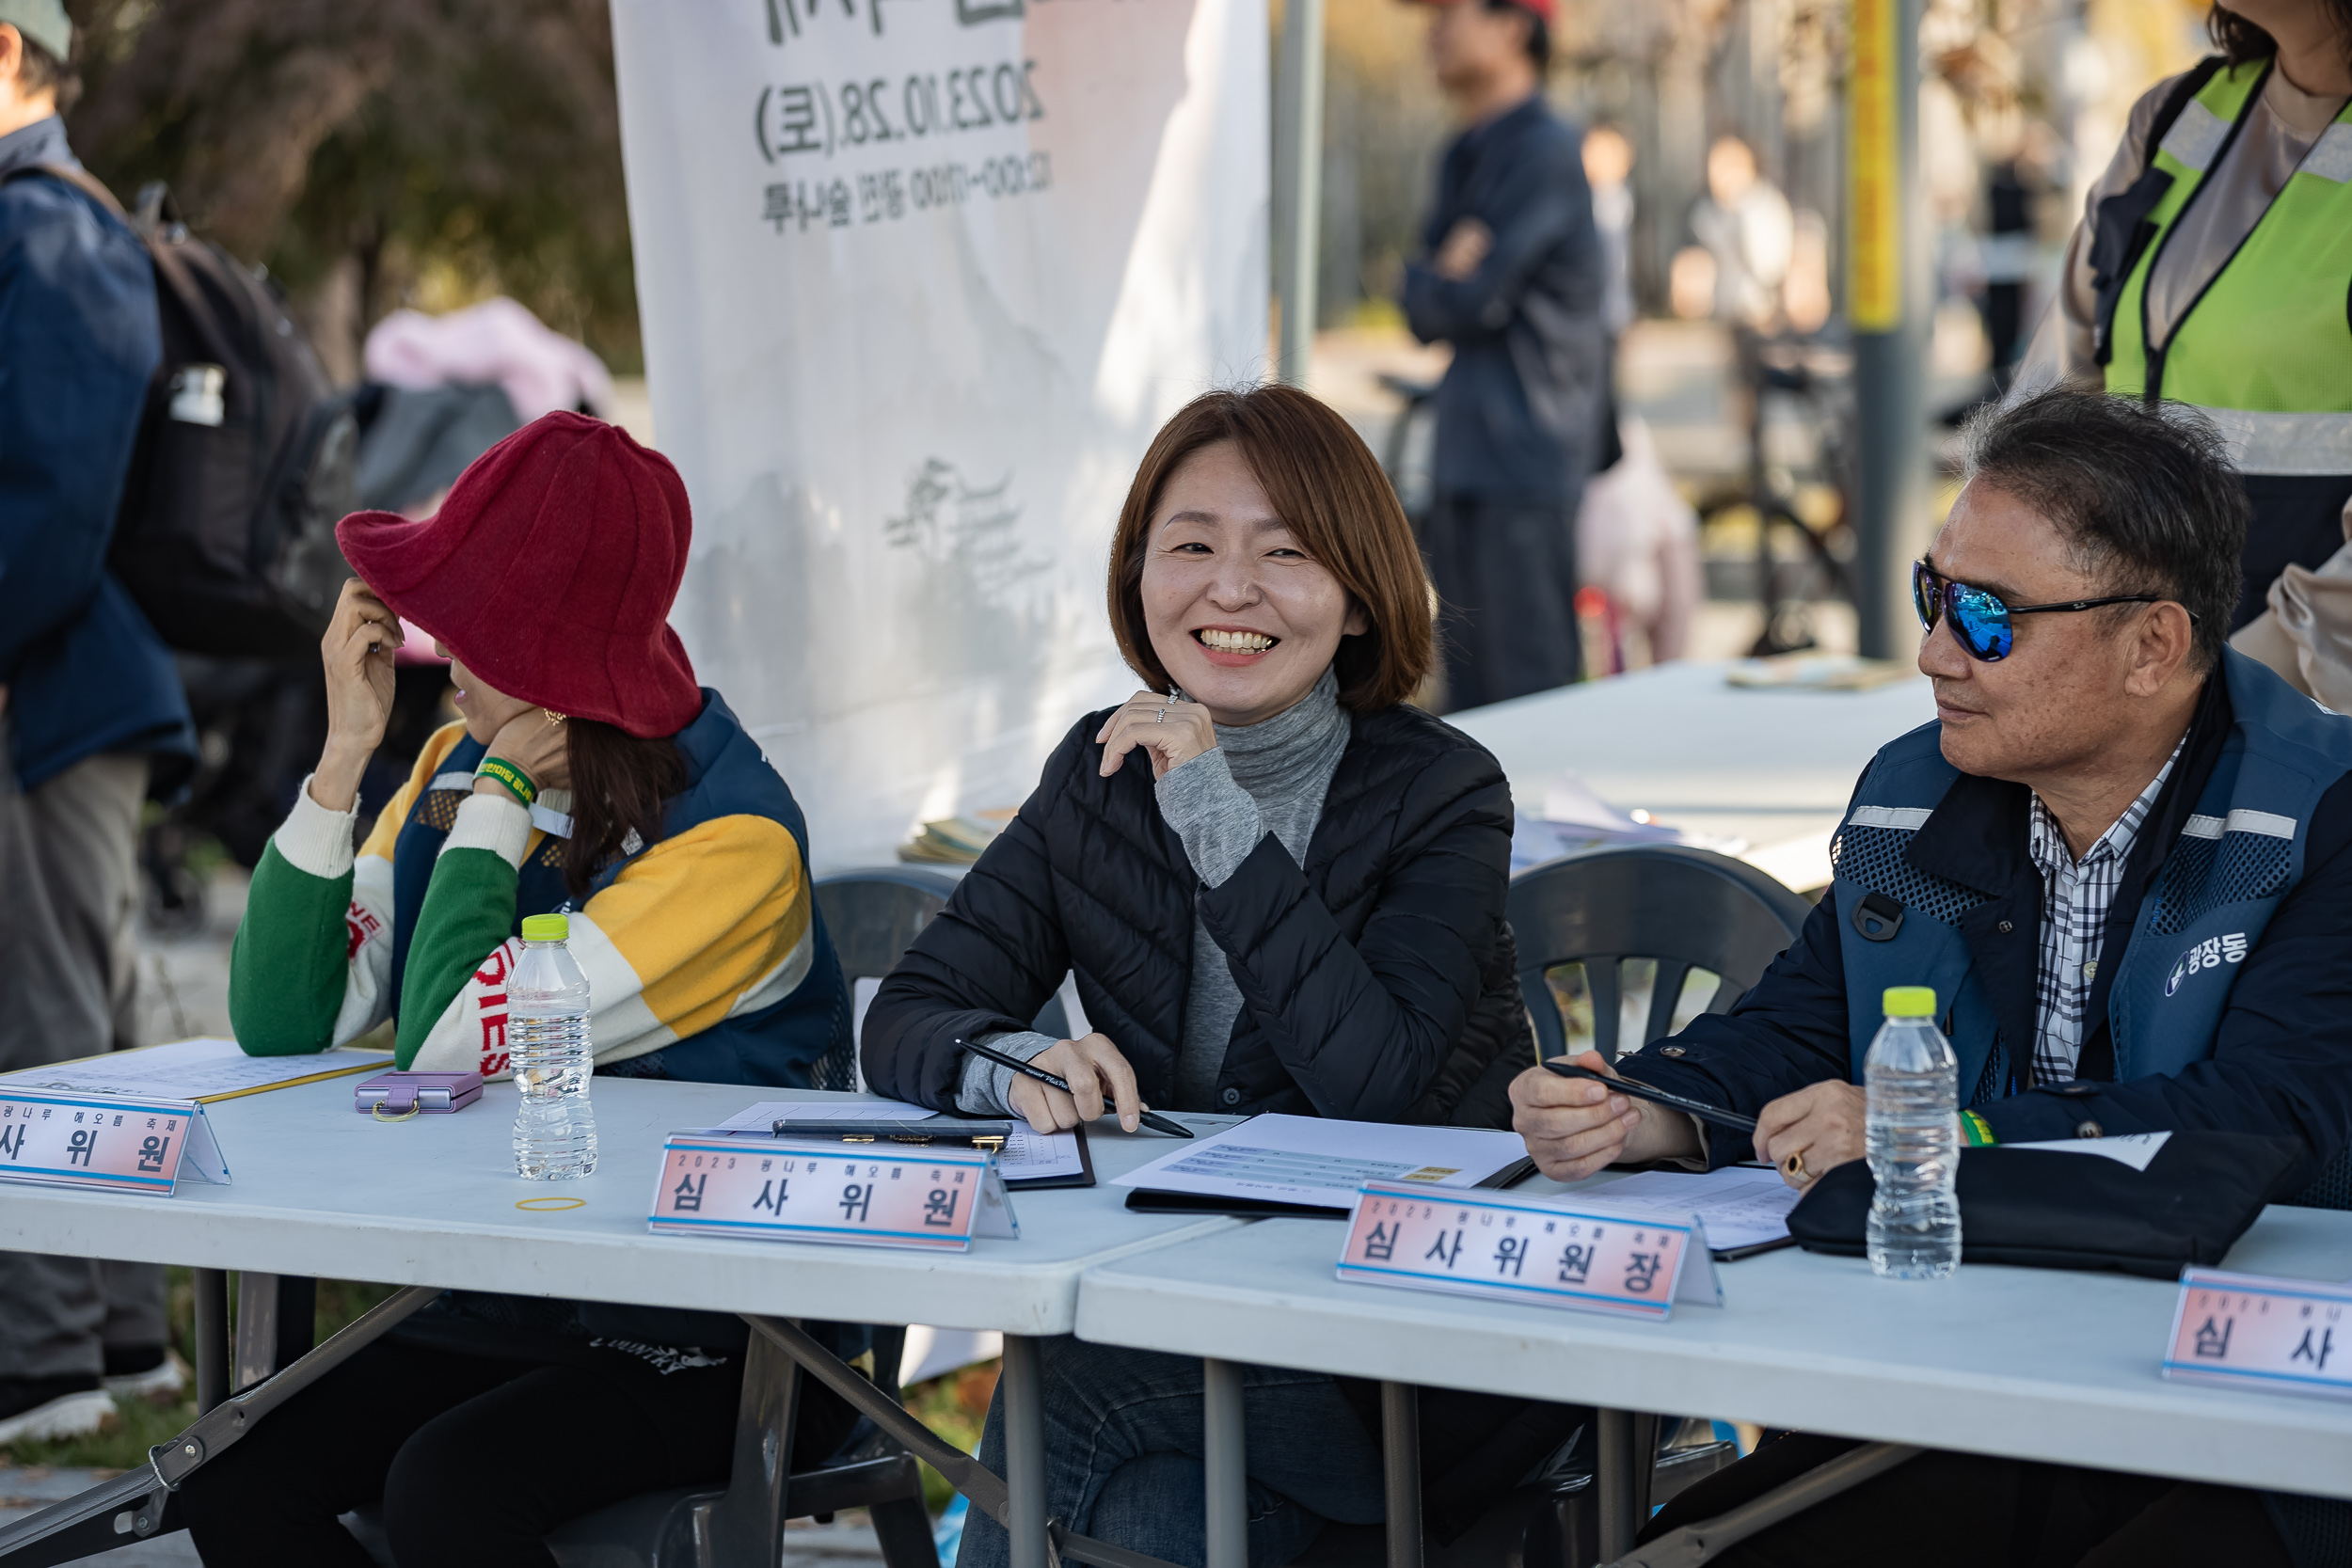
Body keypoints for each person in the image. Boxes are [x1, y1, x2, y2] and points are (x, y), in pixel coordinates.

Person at [1511, 388, 2352, 1565]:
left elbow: (2278, 1120)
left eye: (1987, 619)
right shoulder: (1917, 790)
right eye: (1929, 595)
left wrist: (1933, 1132)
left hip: (2254, 1406)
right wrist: (1646, 1107)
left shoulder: (2321, 811)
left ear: (2153, 644)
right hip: (1962, 1383)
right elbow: (1803, 1021)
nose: (1930, 653)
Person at [863, 384, 1570, 1566]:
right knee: (1154, 1518)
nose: (1229, 589)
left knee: (1065, 1388)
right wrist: (1018, 1059)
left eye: (1284, 552)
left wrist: (1211, 807)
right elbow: (907, 1014)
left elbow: (1375, 1085)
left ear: (1355, 597)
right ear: (1139, 573)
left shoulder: (1443, 790)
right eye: (1191, 544)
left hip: (1405, 1348)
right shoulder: (1097, 772)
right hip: (1194, 1322)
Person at [178, 412, 864, 1566]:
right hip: (510, 1294)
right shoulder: (450, 767)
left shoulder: (736, 846)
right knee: (235, 1472)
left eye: (471, 628)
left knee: (451, 1488)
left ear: (545, 666)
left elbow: (445, 1044)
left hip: (723, 1330)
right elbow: (283, 1023)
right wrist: (345, 756)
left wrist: (494, 799)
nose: (440, 663)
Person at [0, 0, 197, 1445]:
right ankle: (123, 1336)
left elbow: (53, 493)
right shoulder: (49, 220)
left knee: (44, 1015)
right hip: (68, 676)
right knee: (91, 1009)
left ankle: (50, 1359)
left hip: (45, 680)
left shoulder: (46, 228)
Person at [2023, 1, 2352, 637]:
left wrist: (2244, 684)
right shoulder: (2176, 116)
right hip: (2136, 668)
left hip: (2304, 700)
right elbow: (2052, 394)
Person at [1400, 0, 1605, 711]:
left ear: (1514, 25)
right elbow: (1421, 303)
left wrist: (1442, 278)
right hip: (1466, 457)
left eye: (1450, 10)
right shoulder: (1462, 151)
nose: (1433, 28)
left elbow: (1469, 300)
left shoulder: (1543, 150)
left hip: (1525, 456)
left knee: (1533, 699)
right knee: (1472, 707)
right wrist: (1436, 277)